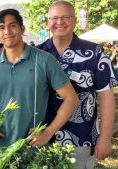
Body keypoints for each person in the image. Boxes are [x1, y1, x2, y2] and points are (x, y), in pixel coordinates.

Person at [0, 8, 79, 149]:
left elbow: (71, 99)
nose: (7, 31)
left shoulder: (45, 60)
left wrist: (48, 133)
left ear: (22, 29)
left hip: (32, 147)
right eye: (1, 28)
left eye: (12, 25)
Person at [38, 1, 117, 168]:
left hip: (81, 138)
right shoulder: (37, 54)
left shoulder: (95, 53)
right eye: (55, 18)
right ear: (48, 22)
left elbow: (106, 97)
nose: (60, 22)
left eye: (66, 17)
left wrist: (105, 138)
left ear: (74, 20)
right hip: (41, 137)